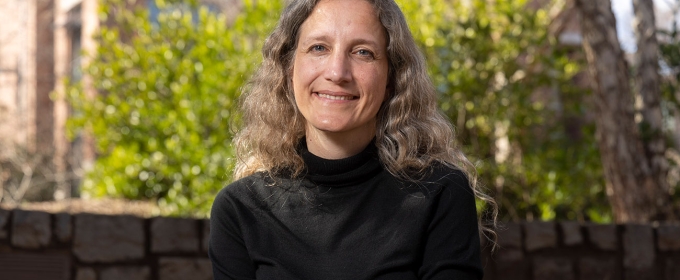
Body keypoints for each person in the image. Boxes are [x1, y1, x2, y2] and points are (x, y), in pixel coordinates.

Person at [209, 0, 496, 279]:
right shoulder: (241, 210)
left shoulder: (439, 194)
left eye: (362, 52)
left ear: (391, 78)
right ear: (288, 69)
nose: (337, 72)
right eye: (318, 48)